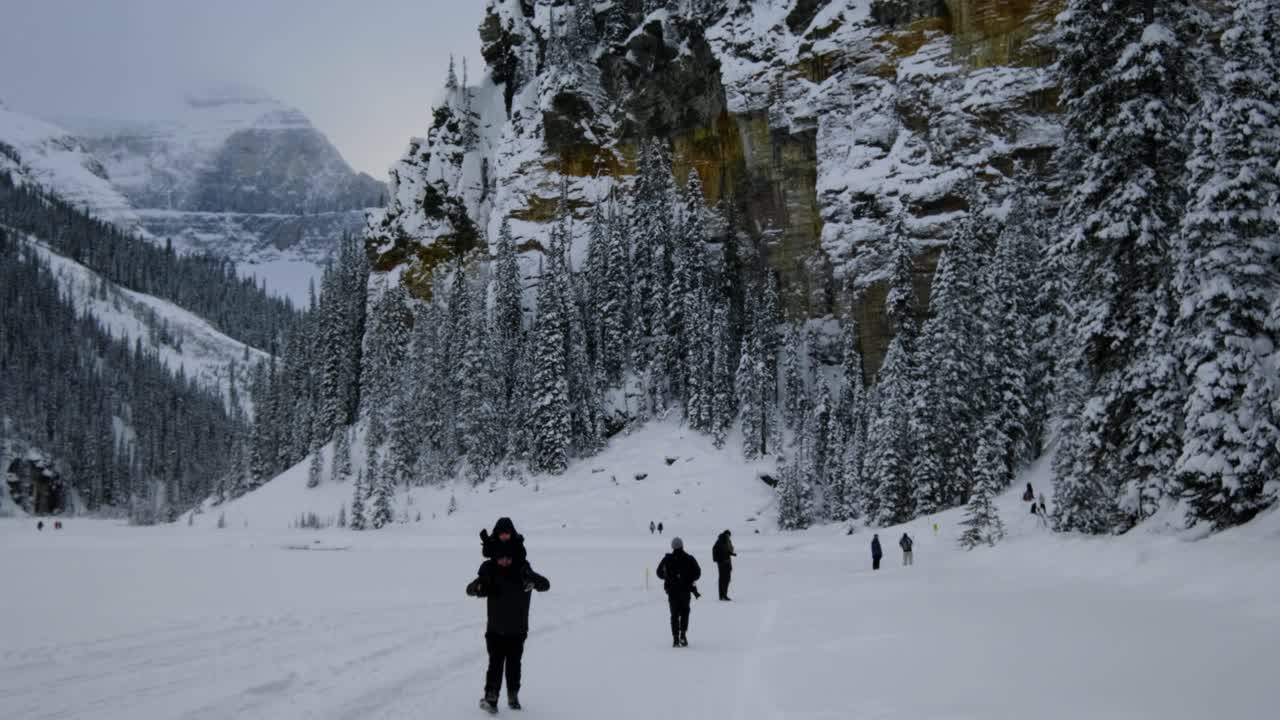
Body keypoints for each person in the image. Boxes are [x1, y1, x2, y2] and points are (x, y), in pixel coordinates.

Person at [466, 543, 550, 714]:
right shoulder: (492, 574)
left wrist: (531, 577)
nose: (504, 561)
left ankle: (513, 697)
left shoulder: (522, 573)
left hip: (517, 632)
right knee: (495, 665)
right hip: (495, 631)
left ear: (512, 558)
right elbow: (470, 589)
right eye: (501, 558)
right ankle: (491, 699)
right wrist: (477, 587)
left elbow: (545, 585)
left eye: (508, 558)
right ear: (496, 559)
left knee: (513, 666)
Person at [656, 537, 701, 648]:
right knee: (685, 612)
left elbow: (658, 573)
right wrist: (689, 579)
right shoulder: (689, 558)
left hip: (672, 591)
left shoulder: (667, 559)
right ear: (682, 545)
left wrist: (667, 577)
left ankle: (675, 639)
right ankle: (683, 635)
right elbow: (698, 573)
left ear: (672, 546)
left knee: (674, 614)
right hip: (685, 591)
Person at [711, 530, 736, 601]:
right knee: (725, 579)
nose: (729, 537)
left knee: (723, 579)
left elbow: (726, 551)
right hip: (724, 563)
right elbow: (719, 550)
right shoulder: (722, 540)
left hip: (724, 562)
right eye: (729, 535)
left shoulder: (722, 540)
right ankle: (723, 595)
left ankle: (722, 595)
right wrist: (719, 559)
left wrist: (731, 554)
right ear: (727, 534)